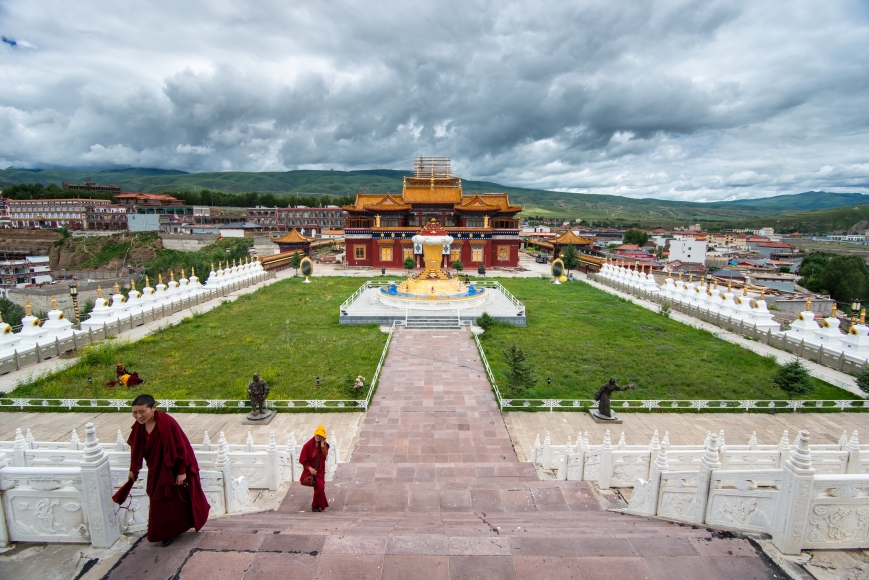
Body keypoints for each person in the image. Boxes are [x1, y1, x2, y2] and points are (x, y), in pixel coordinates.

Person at [123, 394, 210, 546]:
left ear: (153, 408)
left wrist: (181, 471)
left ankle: (170, 531)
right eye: (135, 412)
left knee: (172, 502)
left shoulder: (167, 423)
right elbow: (136, 448)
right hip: (156, 470)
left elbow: (180, 446)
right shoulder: (139, 426)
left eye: (142, 412)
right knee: (157, 499)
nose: (138, 416)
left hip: (173, 469)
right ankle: (163, 531)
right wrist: (133, 469)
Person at [299, 425, 330, 512]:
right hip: (311, 470)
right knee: (320, 487)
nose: (318, 437)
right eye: (317, 435)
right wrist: (310, 468)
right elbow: (302, 459)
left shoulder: (323, 445)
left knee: (319, 488)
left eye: (320, 436)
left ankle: (316, 506)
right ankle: (316, 505)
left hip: (320, 470)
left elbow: (325, 456)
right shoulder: (308, 445)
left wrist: (322, 446)